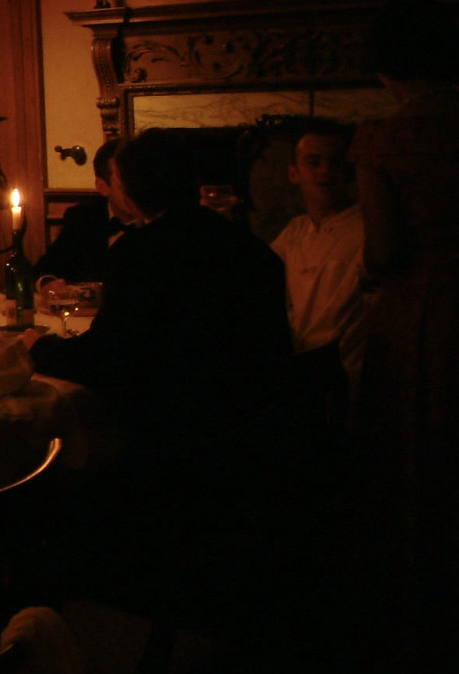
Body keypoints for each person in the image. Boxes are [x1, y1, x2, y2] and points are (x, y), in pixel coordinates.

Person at [349, 0, 459, 674]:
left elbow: (384, 252)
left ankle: (417, 634)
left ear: (386, 64)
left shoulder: (381, 140)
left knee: (415, 466)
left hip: (422, 316)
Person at [25, 130, 290, 447]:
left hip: (172, 434)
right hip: (257, 425)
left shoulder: (137, 253)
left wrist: (38, 347)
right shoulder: (251, 247)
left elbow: (104, 359)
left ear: (130, 190)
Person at [269, 124, 370, 393]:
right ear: (294, 173)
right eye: (314, 162)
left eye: (334, 163)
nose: (325, 171)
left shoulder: (367, 228)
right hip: (302, 372)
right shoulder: (295, 232)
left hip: (352, 375)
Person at [35, 139, 128, 284]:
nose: (137, 188)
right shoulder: (83, 218)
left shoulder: (161, 217)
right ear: (103, 187)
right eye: (125, 182)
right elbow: (46, 268)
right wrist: (49, 284)